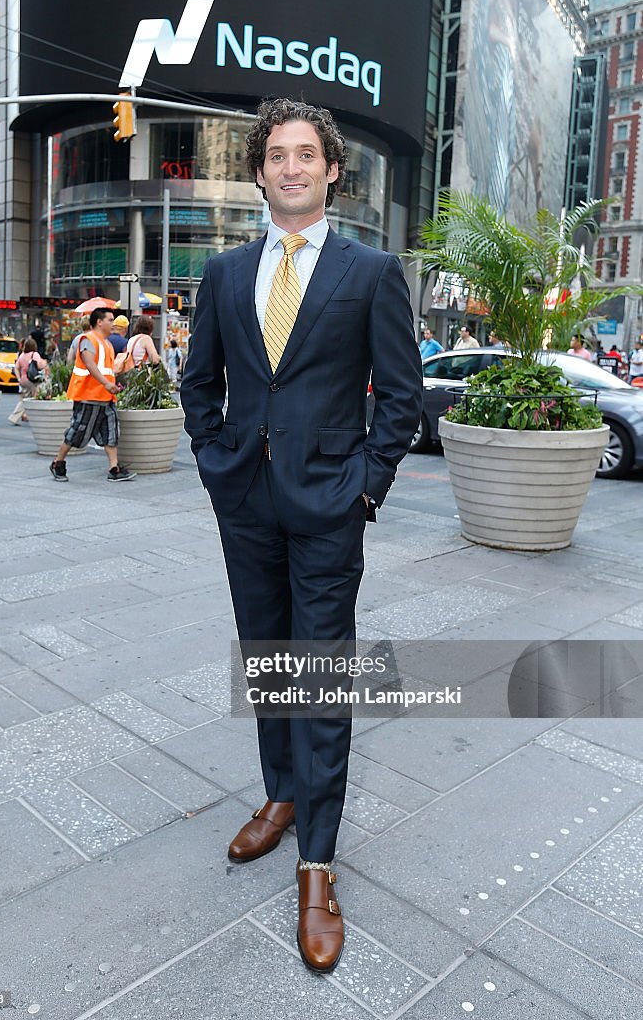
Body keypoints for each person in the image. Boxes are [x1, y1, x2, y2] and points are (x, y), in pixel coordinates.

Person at [180, 97, 422, 974]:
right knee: (268, 658)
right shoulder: (224, 273)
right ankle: (280, 796)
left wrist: (364, 489)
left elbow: (400, 398)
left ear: (330, 171)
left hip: (328, 508)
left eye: (304, 155)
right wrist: (215, 461)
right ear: (258, 170)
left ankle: (316, 863)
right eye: (275, 155)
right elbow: (197, 380)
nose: (289, 167)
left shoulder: (369, 273)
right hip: (244, 502)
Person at [49, 308, 135, 482]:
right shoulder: (88, 339)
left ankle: (114, 468)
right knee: (77, 432)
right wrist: (106, 383)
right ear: (99, 322)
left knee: (111, 433)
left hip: (106, 397)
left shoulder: (107, 344)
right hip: (88, 395)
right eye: (110, 320)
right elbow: (89, 363)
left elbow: (107, 369)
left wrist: (116, 382)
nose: (113, 323)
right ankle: (58, 462)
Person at [9, 337, 48, 424]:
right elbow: (40, 365)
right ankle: (33, 416)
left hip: (23, 380)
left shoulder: (22, 355)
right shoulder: (35, 354)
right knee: (34, 398)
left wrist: (19, 378)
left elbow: (16, 367)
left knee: (25, 399)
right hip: (32, 380)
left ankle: (15, 417)